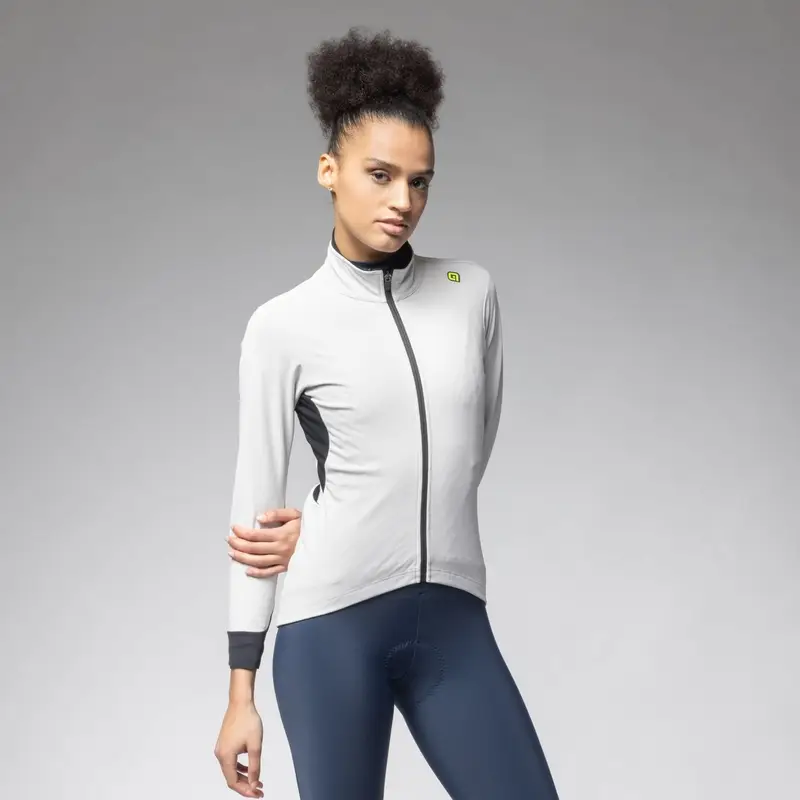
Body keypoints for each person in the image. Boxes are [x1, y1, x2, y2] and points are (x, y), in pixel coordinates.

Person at [214, 26, 561, 800]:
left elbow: (468, 452)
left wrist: (365, 509)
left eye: (420, 181)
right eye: (380, 175)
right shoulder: (283, 325)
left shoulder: (470, 292)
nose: (403, 201)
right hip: (330, 628)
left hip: (455, 626)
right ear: (329, 171)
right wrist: (241, 692)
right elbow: (254, 511)